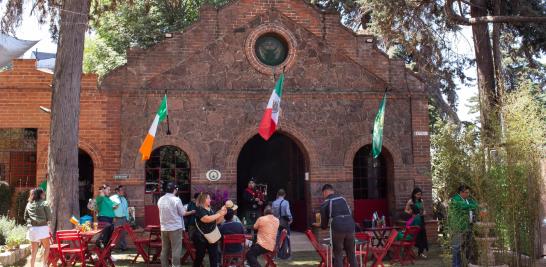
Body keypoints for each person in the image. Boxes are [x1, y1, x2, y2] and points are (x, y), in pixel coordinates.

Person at [314, 184, 356, 267]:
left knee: (338, 254)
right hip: (350, 225)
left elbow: (324, 226)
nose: (323, 196)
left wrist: (318, 224)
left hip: (338, 226)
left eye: (323, 194)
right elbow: (350, 212)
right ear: (332, 191)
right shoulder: (343, 199)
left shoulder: (325, 203)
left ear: (325, 192)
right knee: (351, 253)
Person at [157, 182, 190, 267]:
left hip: (164, 228)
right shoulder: (176, 199)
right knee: (176, 250)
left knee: (165, 249)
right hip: (175, 228)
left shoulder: (160, 199)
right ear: (175, 190)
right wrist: (188, 209)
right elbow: (182, 213)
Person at [193, 192, 227, 267]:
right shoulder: (200, 209)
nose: (210, 200)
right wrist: (219, 214)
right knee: (200, 257)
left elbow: (216, 221)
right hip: (201, 238)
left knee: (214, 257)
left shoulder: (211, 209)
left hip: (212, 236)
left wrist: (223, 214)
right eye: (208, 198)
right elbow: (206, 219)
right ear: (203, 199)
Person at [449, 185, 478, 267]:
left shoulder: (467, 199)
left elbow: (474, 203)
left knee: (468, 247)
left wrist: (475, 205)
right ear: (461, 192)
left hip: (467, 226)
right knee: (456, 248)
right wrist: (475, 206)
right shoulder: (455, 199)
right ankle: (456, 265)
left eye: (468, 192)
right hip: (457, 227)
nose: (468, 194)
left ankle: (466, 264)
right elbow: (464, 206)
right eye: (467, 192)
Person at [24, 188, 51, 267]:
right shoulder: (44, 203)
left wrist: (30, 223)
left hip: (32, 229)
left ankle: (32, 266)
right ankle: (44, 265)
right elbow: (49, 217)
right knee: (47, 247)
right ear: (40, 194)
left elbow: (25, 217)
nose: (44, 194)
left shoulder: (29, 204)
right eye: (43, 193)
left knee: (34, 251)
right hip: (42, 228)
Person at [404, 187, 429, 258]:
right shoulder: (410, 201)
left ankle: (421, 252)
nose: (419, 196)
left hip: (421, 219)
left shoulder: (421, 201)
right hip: (414, 220)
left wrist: (424, 212)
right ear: (414, 194)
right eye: (418, 194)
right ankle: (410, 252)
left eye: (420, 194)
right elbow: (406, 210)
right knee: (415, 236)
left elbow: (424, 210)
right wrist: (410, 212)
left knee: (422, 236)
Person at [95, 184, 118, 248]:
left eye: (110, 190)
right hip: (103, 218)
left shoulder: (108, 199)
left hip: (110, 219)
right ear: (103, 190)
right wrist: (101, 192)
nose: (109, 191)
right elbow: (96, 203)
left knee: (109, 236)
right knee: (107, 228)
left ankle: (106, 252)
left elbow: (114, 206)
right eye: (108, 190)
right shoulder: (100, 198)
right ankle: (99, 242)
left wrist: (114, 207)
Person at [272, 189, 292, 259]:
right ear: (284, 195)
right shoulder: (286, 202)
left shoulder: (274, 203)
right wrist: (290, 219)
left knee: (277, 238)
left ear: (278, 194)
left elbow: (273, 213)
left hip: (276, 222)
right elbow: (287, 212)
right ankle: (286, 254)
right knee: (286, 237)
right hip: (284, 222)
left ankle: (276, 254)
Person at [110, 185, 129, 251]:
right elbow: (110, 208)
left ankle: (123, 247)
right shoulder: (112, 198)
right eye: (122, 190)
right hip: (116, 218)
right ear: (117, 191)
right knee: (114, 233)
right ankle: (111, 248)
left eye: (123, 190)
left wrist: (127, 218)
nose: (123, 191)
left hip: (123, 218)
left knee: (123, 233)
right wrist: (113, 217)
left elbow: (126, 209)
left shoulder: (124, 199)